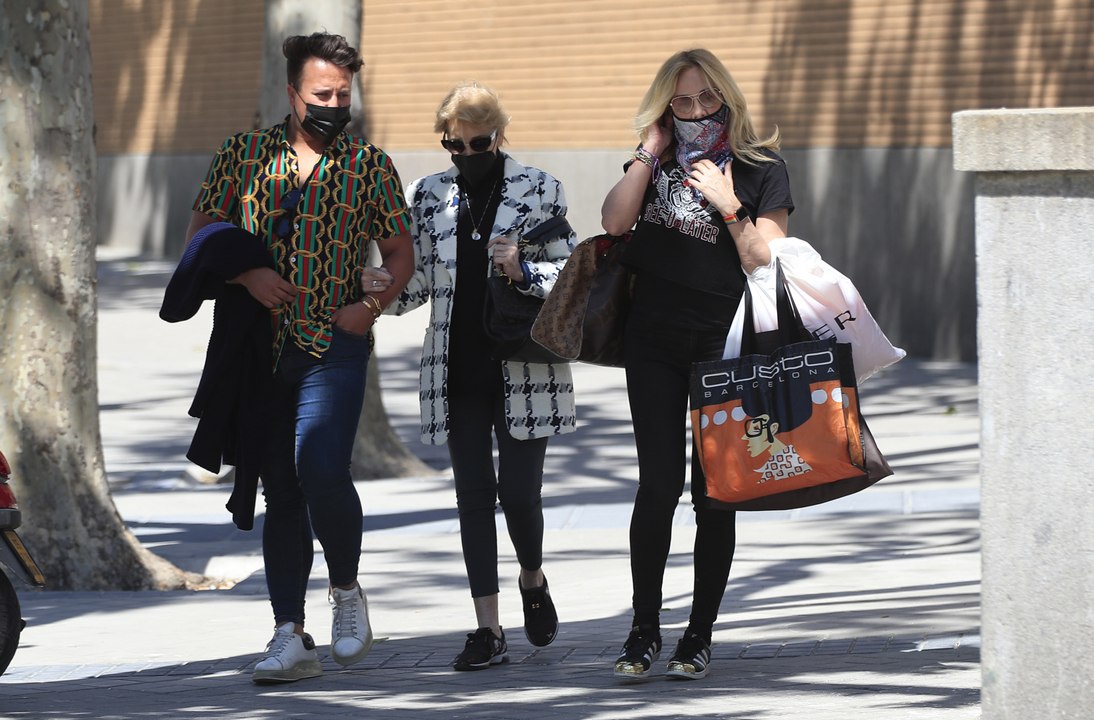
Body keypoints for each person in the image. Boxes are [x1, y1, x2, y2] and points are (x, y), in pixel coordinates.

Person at [183, 32, 414, 684]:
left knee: (320, 467)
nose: (334, 105)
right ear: (292, 93)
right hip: (260, 347)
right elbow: (200, 240)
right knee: (281, 488)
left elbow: (399, 254)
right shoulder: (242, 153)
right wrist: (248, 278)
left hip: (335, 344)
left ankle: (346, 594)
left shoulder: (370, 165)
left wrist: (369, 307)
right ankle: (290, 634)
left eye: (343, 95)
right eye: (322, 94)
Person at [363, 81, 577, 671]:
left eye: (477, 142)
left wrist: (524, 266)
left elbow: (572, 271)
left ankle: (532, 576)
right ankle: (487, 628)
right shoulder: (429, 195)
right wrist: (379, 287)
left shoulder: (539, 188)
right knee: (472, 499)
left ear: (499, 134)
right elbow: (421, 281)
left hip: (521, 363)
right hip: (456, 366)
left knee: (519, 495)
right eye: (452, 144)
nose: (465, 154)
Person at [600, 48, 794, 681]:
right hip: (652, 341)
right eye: (681, 102)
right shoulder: (654, 165)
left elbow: (769, 258)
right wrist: (647, 153)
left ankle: (698, 635)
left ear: (727, 98)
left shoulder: (761, 167)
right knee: (657, 486)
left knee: (716, 493)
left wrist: (729, 204)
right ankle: (643, 630)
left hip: (725, 342)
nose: (695, 112)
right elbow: (613, 220)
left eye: (706, 99)